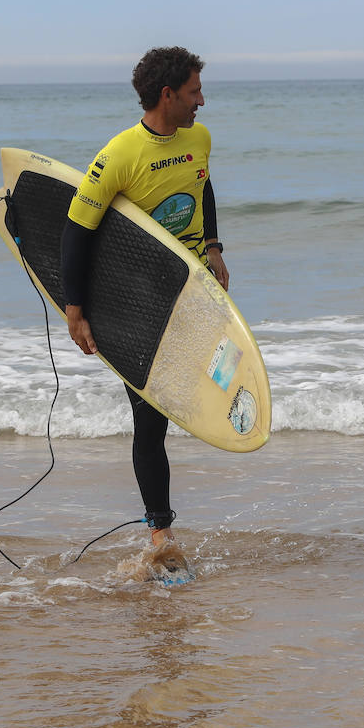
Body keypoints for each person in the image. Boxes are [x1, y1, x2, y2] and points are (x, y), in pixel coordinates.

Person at [60, 46, 227, 561]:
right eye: (195, 91)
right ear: (167, 94)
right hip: (136, 301)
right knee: (150, 417)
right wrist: (75, 310)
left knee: (192, 396)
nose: (203, 100)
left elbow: (203, 188)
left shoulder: (198, 138)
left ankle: (162, 521)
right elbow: (76, 232)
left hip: (193, 292)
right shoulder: (119, 155)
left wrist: (216, 247)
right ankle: (160, 530)